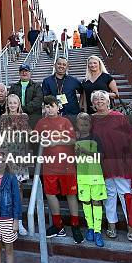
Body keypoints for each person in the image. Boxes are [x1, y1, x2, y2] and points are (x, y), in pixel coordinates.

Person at [91, 90, 132, 242]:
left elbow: (131, 137)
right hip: (103, 163)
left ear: (108, 101)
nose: (99, 101)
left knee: (126, 194)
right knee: (109, 195)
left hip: (121, 161)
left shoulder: (119, 117)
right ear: (92, 104)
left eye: (102, 99)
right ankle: (111, 224)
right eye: (96, 100)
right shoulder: (91, 119)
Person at [34, 96, 83, 243]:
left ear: (58, 107)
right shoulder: (41, 122)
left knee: (70, 194)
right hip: (49, 164)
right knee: (50, 193)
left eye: (52, 106)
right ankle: (58, 225)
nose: (49, 109)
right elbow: (35, 137)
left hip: (66, 164)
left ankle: (75, 225)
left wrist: (56, 141)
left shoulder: (65, 121)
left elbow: (73, 140)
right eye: (46, 106)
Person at [0, 94, 30, 235]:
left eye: (14, 103)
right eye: (10, 103)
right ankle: (8, 220)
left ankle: (19, 221)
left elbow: (28, 134)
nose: (12, 105)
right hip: (8, 157)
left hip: (20, 157)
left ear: (18, 104)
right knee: (8, 188)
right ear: (7, 104)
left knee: (19, 189)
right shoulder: (3, 117)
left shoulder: (24, 117)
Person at [75, 112, 107, 247]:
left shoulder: (95, 137)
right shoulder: (75, 139)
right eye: (81, 124)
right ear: (77, 125)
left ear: (90, 125)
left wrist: (86, 152)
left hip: (95, 175)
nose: (83, 127)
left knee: (96, 201)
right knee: (86, 201)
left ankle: (98, 231)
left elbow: (101, 156)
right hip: (82, 175)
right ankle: (91, 227)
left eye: (86, 124)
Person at [42, 57, 83, 123]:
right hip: (55, 114)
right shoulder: (47, 81)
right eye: (59, 64)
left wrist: (80, 105)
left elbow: (82, 92)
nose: (61, 66)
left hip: (73, 114)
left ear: (67, 67)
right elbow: (45, 97)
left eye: (64, 65)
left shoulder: (74, 80)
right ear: (55, 65)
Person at [9, 64, 43, 128]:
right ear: (19, 73)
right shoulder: (14, 86)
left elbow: (38, 100)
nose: (24, 73)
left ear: (30, 73)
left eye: (26, 71)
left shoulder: (36, 86)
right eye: (22, 71)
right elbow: (10, 99)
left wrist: (22, 109)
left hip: (33, 118)